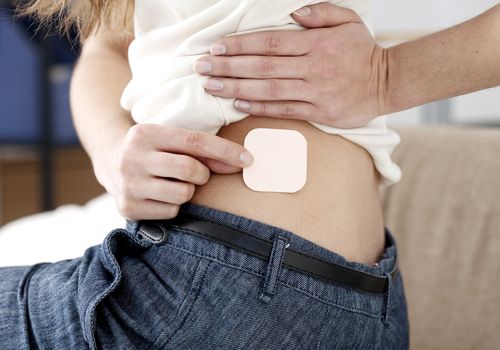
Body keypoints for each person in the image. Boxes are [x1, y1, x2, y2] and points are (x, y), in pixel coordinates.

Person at [1, 0, 496, 348]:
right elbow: (106, 45)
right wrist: (112, 151)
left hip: (220, 284)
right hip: (363, 304)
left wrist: (389, 75)